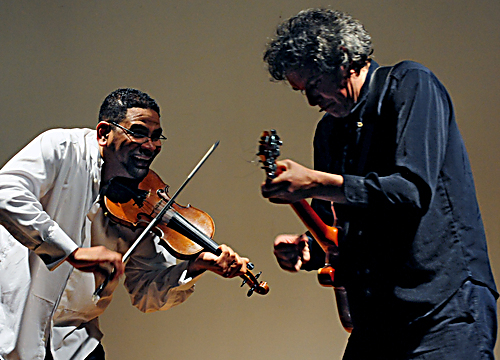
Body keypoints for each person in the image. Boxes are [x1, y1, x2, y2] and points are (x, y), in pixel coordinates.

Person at [261, 8, 497, 359]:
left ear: (341, 59)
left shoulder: (411, 84)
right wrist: (310, 247)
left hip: (445, 307)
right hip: (378, 316)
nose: (311, 101)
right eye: (301, 92)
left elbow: (410, 191)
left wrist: (314, 182)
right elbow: (337, 225)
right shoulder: (328, 131)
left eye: (313, 85)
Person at [0, 88, 250, 360]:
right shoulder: (62, 148)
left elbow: (145, 291)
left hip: (75, 342)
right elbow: (6, 192)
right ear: (104, 133)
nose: (150, 146)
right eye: (139, 132)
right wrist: (70, 252)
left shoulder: (142, 203)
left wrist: (196, 266)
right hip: (15, 325)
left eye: (156, 137)